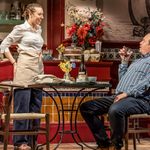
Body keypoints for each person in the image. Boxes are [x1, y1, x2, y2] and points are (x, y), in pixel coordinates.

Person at [80, 33, 150, 150]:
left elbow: (146, 83)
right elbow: (123, 81)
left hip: (140, 99)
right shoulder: (138, 61)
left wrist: (127, 93)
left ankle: (116, 145)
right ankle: (104, 144)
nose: (140, 42)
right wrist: (124, 62)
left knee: (115, 109)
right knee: (87, 108)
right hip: (121, 96)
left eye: (143, 41)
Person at [0, 3, 44, 150]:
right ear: (30, 14)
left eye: (42, 14)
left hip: (38, 70)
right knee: (22, 106)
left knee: (35, 106)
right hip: (24, 68)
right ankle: (20, 143)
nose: (42, 17)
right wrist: (14, 62)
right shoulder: (20, 28)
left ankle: (32, 141)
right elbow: (3, 45)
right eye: (39, 14)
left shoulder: (38, 29)